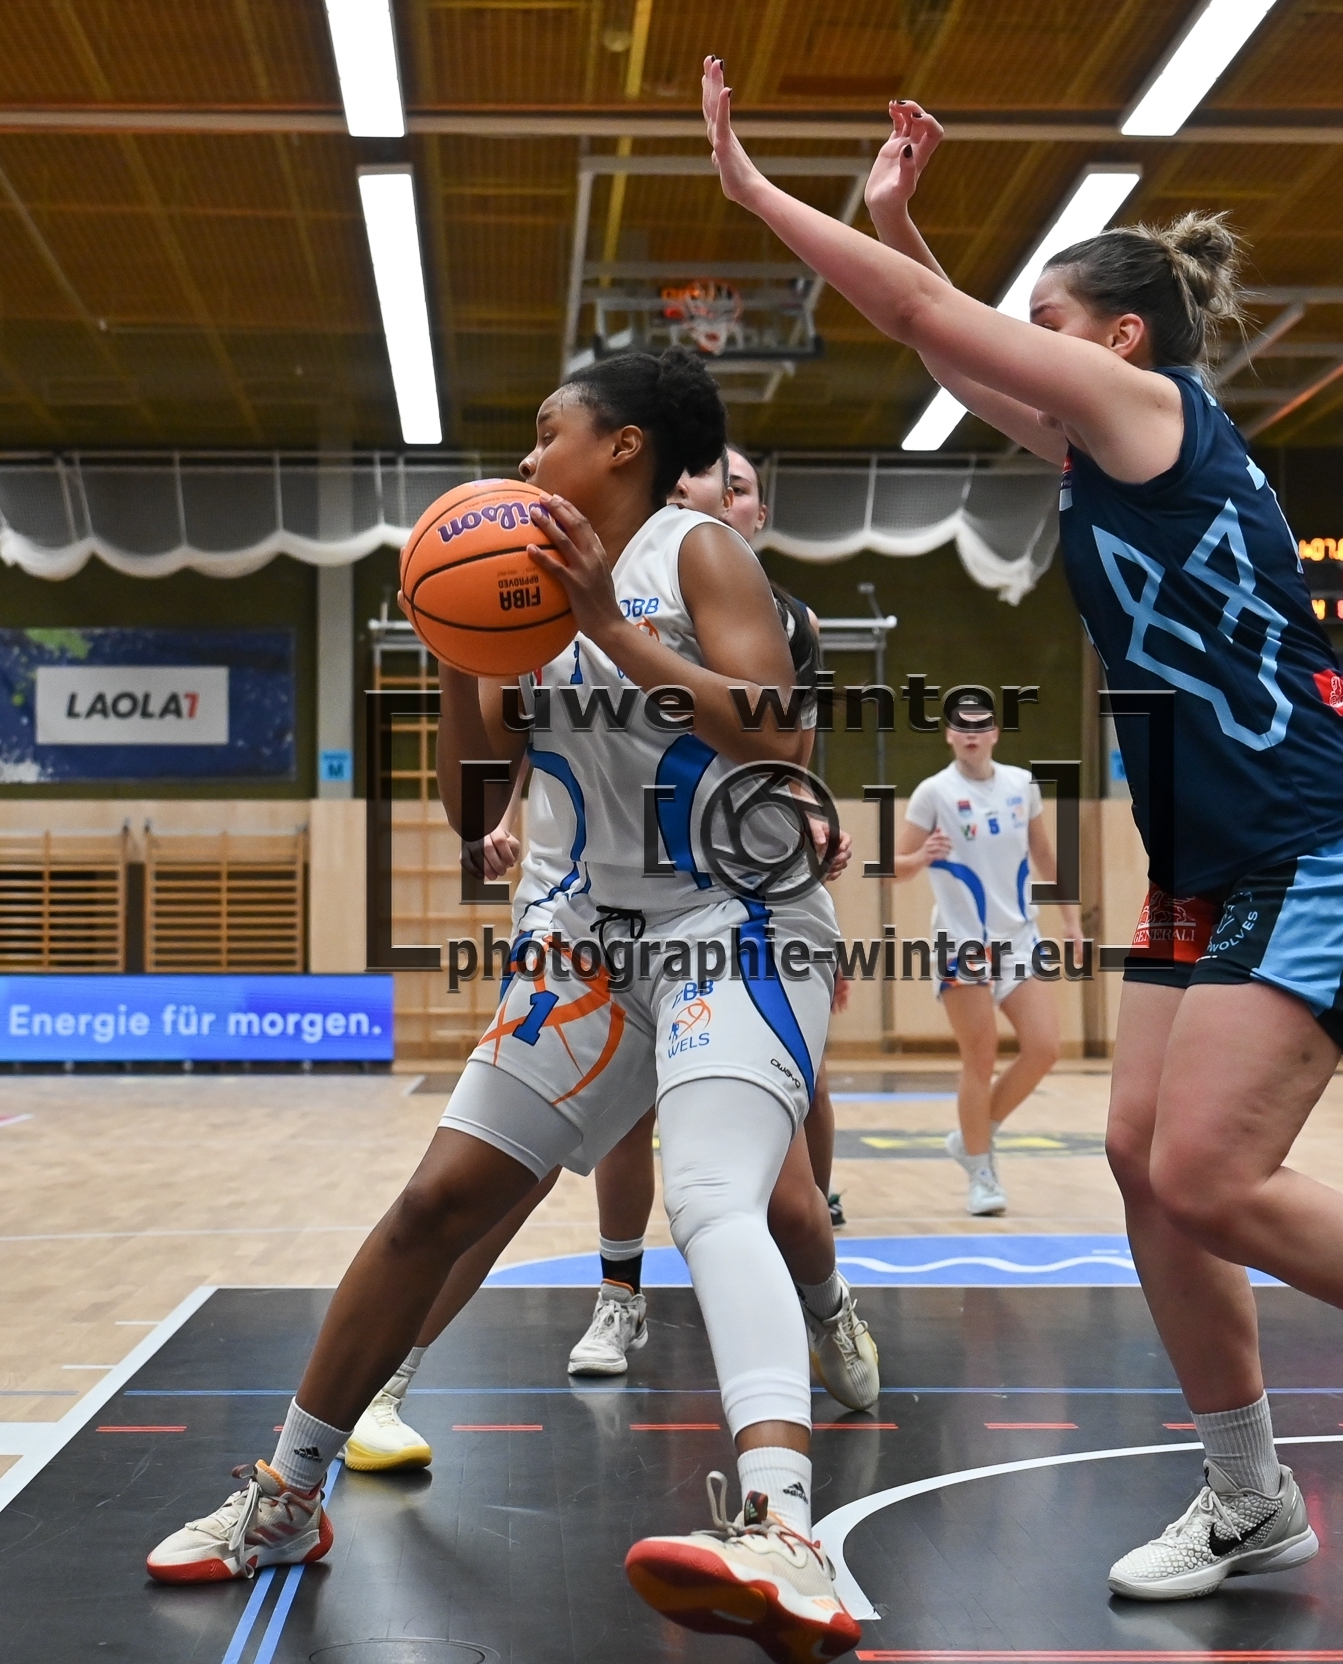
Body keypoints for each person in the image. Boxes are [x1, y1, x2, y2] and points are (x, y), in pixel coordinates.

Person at [706, 71, 1343, 1598]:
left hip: (1315, 832)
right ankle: (1250, 1497)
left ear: (1117, 340)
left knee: (1212, 1174)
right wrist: (896, 221)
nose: (1026, 340)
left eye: (1047, 320)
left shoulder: (1155, 414)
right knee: (1139, 1160)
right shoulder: (1097, 449)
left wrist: (753, 189)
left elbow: (929, 319)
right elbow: (939, 330)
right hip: (1209, 857)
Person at [146, 350, 864, 1663]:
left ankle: (785, 1531)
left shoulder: (699, 554)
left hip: (735, 916)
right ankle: (285, 1497)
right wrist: (456, 650)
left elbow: (778, 739)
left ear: (626, 446)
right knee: (438, 1201)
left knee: (715, 1194)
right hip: (592, 936)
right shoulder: (519, 591)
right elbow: (473, 803)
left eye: (550, 431)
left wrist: (606, 625)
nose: (529, 459)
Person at [566, 446, 870, 1382]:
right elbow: (557, 739)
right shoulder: (604, 593)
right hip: (618, 898)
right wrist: (499, 821)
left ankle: (825, 1298)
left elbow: (784, 749)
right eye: (704, 479)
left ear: (756, 514)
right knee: (622, 1116)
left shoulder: (784, 620)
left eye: (737, 486)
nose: (715, 494)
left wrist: (807, 810)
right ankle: (619, 1295)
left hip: (739, 902)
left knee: (786, 1181)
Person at [893, 705, 1071, 1215]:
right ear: (948, 736)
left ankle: (975, 1133)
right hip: (962, 941)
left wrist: (1072, 920)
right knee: (981, 1056)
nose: (971, 734)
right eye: (961, 726)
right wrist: (921, 856)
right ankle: (981, 1171)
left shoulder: (1022, 784)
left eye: (981, 726)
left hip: (1019, 936)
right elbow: (890, 867)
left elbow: (1044, 853)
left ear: (995, 733)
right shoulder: (934, 793)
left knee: (1044, 1047)